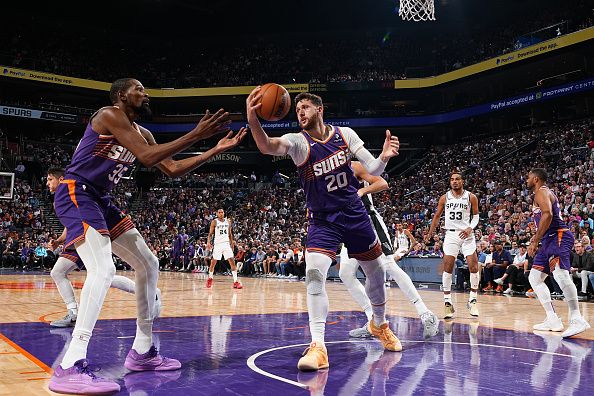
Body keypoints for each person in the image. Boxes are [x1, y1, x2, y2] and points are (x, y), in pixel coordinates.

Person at [49, 78, 245, 394]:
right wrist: (196, 133)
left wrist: (213, 149)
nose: (145, 93)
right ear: (121, 95)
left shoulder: (145, 133)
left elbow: (171, 168)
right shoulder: (109, 114)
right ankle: (70, 363)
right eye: (139, 89)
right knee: (103, 270)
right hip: (77, 191)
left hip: (101, 198)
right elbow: (147, 157)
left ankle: (142, 351)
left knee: (149, 263)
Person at [247, 89, 401, 372]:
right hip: (323, 219)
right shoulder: (298, 143)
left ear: (319, 109)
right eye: (296, 110)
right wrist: (252, 117)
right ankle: (318, 345)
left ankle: (379, 324)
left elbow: (374, 168)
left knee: (376, 274)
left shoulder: (345, 135)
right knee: (315, 274)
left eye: (304, 107)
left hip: (355, 213)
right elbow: (267, 146)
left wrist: (385, 156)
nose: (300, 113)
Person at [46, 167, 161, 328]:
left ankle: (74, 315)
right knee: (103, 276)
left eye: (50, 179)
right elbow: (71, 222)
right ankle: (150, 292)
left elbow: (83, 214)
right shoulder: (67, 194)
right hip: (80, 232)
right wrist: (58, 241)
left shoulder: (70, 188)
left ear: (60, 179)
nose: (47, 183)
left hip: (88, 231)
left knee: (63, 272)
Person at [338, 161, 438, 339]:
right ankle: (373, 320)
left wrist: (361, 191)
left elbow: (382, 182)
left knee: (389, 266)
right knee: (345, 273)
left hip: (368, 221)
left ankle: (426, 314)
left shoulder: (355, 166)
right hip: (348, 226)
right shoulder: (325, 173)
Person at [526, 168, 590, 338]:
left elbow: (547, 214)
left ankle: (577, 319)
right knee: (535, 278)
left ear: (536, 179)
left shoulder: (541, 191)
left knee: (560, 274)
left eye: (529, 177)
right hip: (548, 239)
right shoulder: (540, 193)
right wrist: (538, 238)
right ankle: (552, 318)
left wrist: (535, 240)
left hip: (558, 235)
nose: (527, 179)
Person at [426, 172, 480, 319]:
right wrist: (430, 233)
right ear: (450, 182)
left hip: (467, 234)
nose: (455, 182)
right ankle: (448, 303)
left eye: (457, 179)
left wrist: (470, 228)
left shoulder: (471, 196)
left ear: (462, 181)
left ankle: (473, 300)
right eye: (452, 179)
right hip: (450, 235)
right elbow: (437, 216)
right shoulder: (444, 197)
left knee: (474, 266)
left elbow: (476, 216)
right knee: (448, 267)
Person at [206, 208, 242, 289]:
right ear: (217, 214)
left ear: (224, 213)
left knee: (232, 261)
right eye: (219, 212)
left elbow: (230, 234)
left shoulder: (228, 221)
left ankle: (236, 281)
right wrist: (208, 242)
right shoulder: (214, 221)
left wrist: (232, 243)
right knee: (213, 262)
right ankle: (210, 278)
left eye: (222, 212)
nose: (221, 213)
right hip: (217, 244)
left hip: (226, 244)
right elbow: (210, 234)